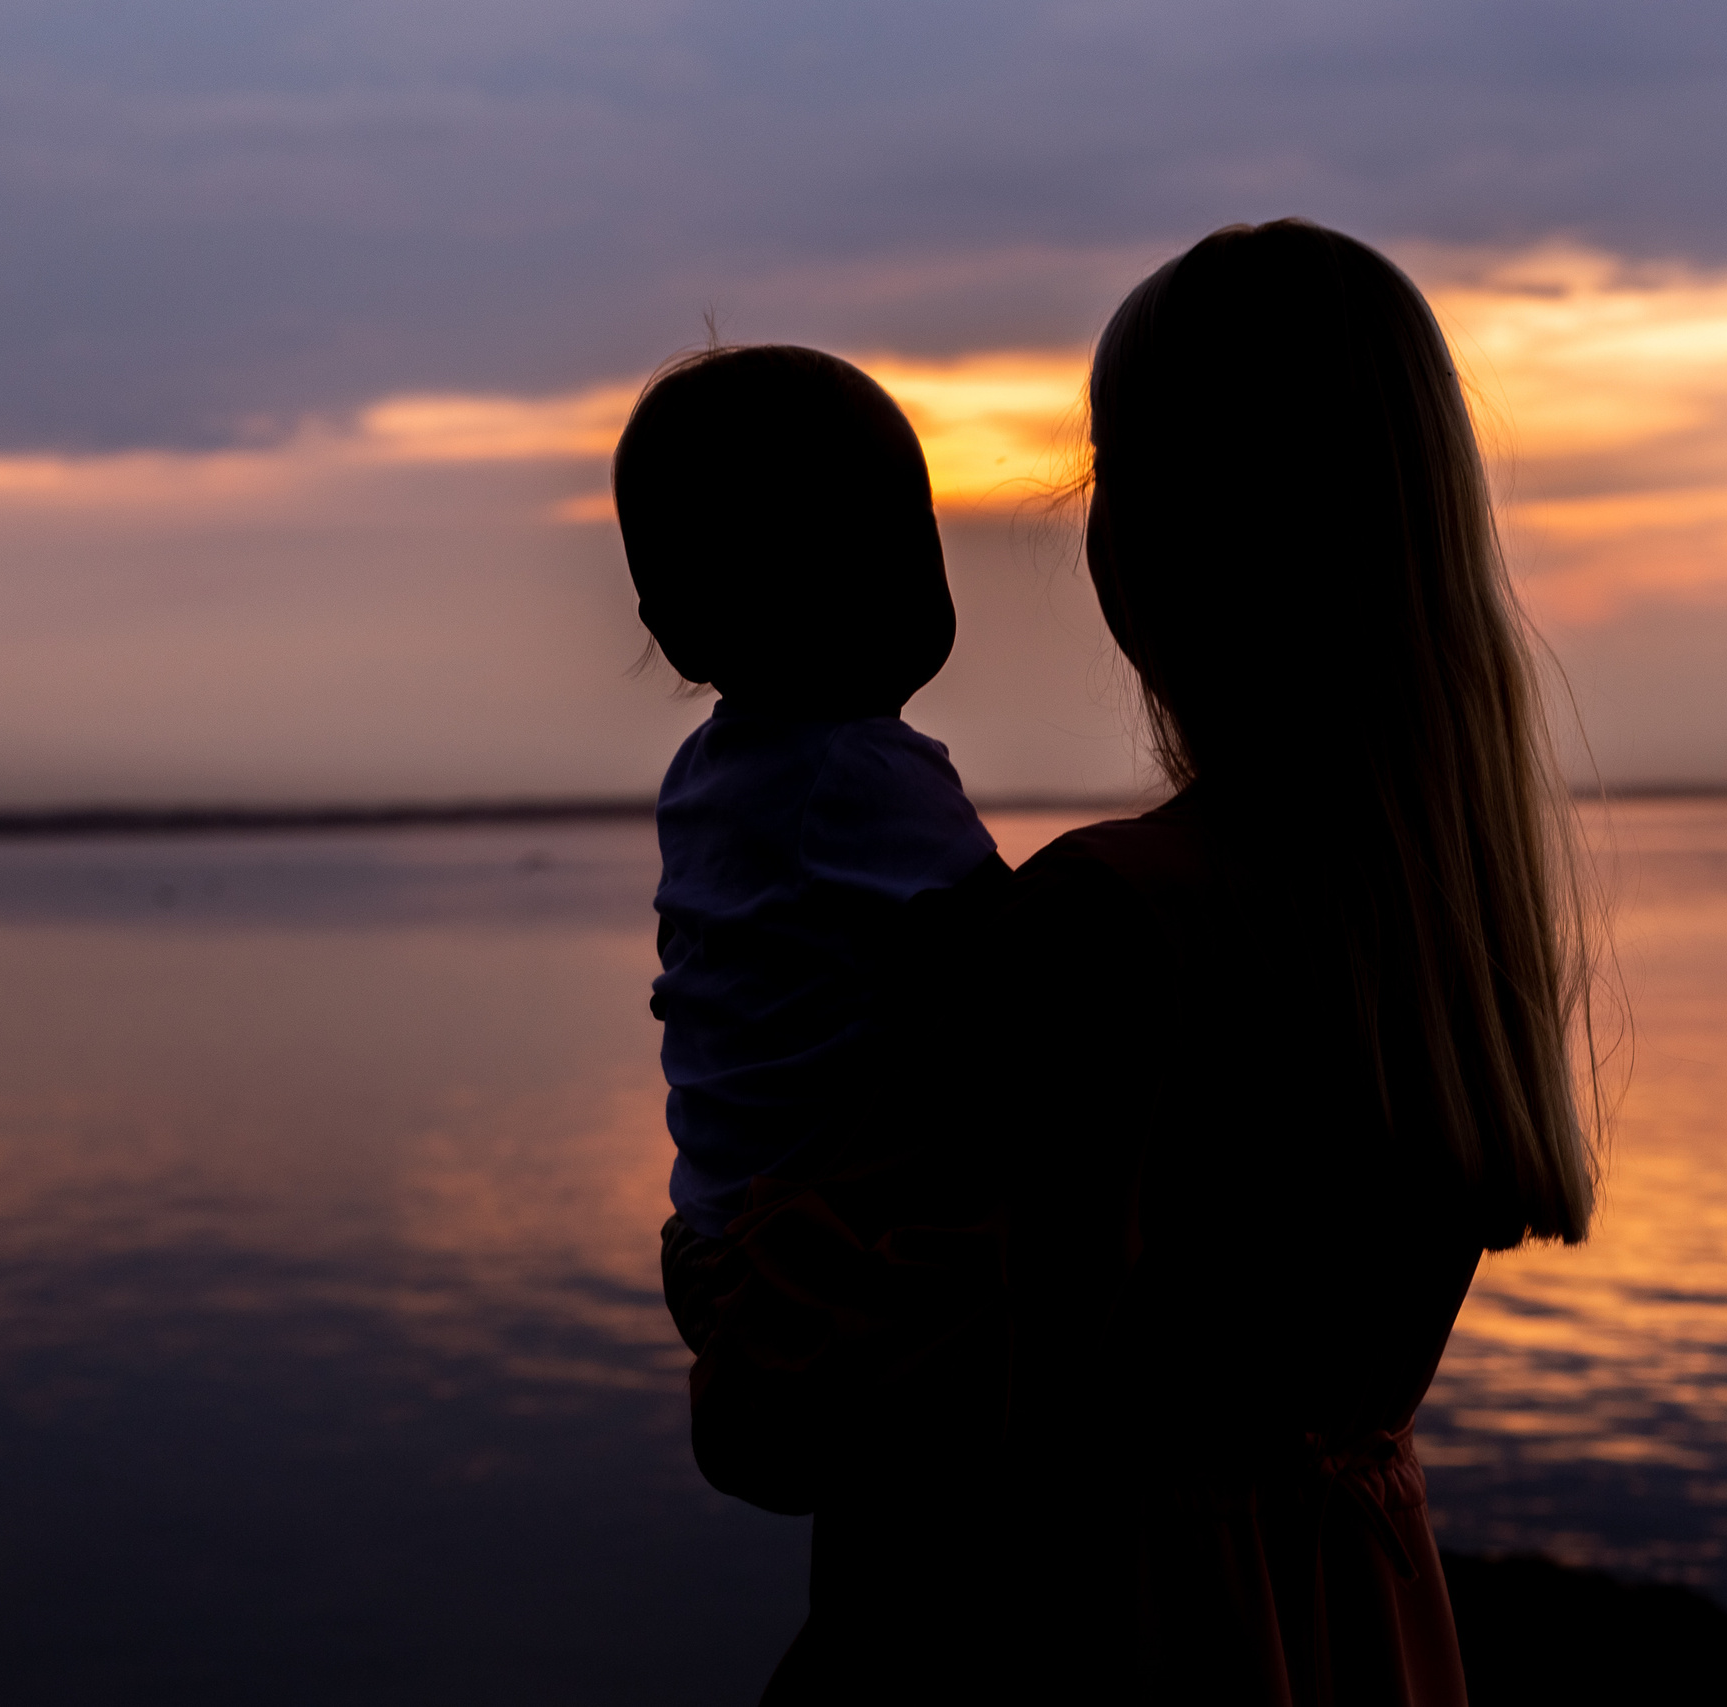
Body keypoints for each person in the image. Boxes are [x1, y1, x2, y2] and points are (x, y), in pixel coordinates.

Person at [666, 221, 1604, 1705]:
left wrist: (736, 1259)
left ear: (1171, 532)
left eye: (1112, 468)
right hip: (1349, 1623)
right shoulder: (1446, 929)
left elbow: (780, 1426)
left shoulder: (1113, 925)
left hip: (1096, 1634)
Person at [614, 344, 1004, 1243]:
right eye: (879, 546)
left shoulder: (700, 775)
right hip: (842, 1246)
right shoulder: (860, 770)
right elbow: (1013, 945)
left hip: (723, 1218)